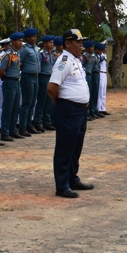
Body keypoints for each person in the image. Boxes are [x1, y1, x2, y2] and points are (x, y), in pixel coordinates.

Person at [48, 29, 95, 198]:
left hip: (80, 110)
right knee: (65, 148)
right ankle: (62, 185)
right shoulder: (64, 61)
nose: (81, 45)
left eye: (82, 42)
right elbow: (52, 87)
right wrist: (58, 101)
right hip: (68, 109)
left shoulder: (76, 60)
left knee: (76, 147)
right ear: (68, 43)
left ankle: (72, 178)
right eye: (78, 42)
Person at [0, 32, 23, 140]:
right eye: (19, 40)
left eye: (21, 40)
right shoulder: (8, 54)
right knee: (8, 107)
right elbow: (1, 71)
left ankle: (12, 130)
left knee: (15, 107)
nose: (21, 42)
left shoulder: (17, 53)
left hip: (17, 81)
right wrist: (6, 78)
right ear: (13, 42)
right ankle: (5, 132)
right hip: (9, 81)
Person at [18, 28, 41, 135]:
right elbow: (19, 62)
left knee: (32, 102)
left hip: (36, 76)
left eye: (35, 36)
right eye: (32, 36)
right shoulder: (24, 49)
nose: (34, 38)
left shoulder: (36, 48)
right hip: (27, 76)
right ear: (27, 38)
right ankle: (22, 127)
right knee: (27, 102)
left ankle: (29, 124)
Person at [34, 35, 55, 132]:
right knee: (42, 100)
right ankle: (38, 122)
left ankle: (47, 121)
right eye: (50, 42)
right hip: (42, 77)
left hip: (50, 77)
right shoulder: (41, 53)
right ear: (45, 43)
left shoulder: (50, 53)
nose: (52, 44)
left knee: (49, 101)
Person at [95, 41, 110, 117]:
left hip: (104, 73)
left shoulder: (104, 55)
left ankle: (103, 108)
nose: (106, 49)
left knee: (103, 92)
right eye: (105, 47)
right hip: (100, 73)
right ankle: (99, 109)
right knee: (100, 92)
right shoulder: (98, 56)